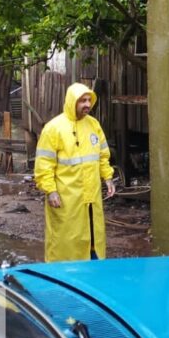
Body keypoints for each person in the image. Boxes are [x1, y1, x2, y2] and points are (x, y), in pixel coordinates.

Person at [34, 82, 116, 262]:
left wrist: (107, 178)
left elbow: (102, 155)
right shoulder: (54, 128)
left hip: (91, 197)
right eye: (82, 101)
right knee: (65, 240)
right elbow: (44, 164)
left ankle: (93, 268)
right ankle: (61, 275)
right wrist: (51, 190)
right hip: (66, 198)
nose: (87, 104)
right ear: (72, 102)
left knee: (93, 233)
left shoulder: (93, 125)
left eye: (89, 100)